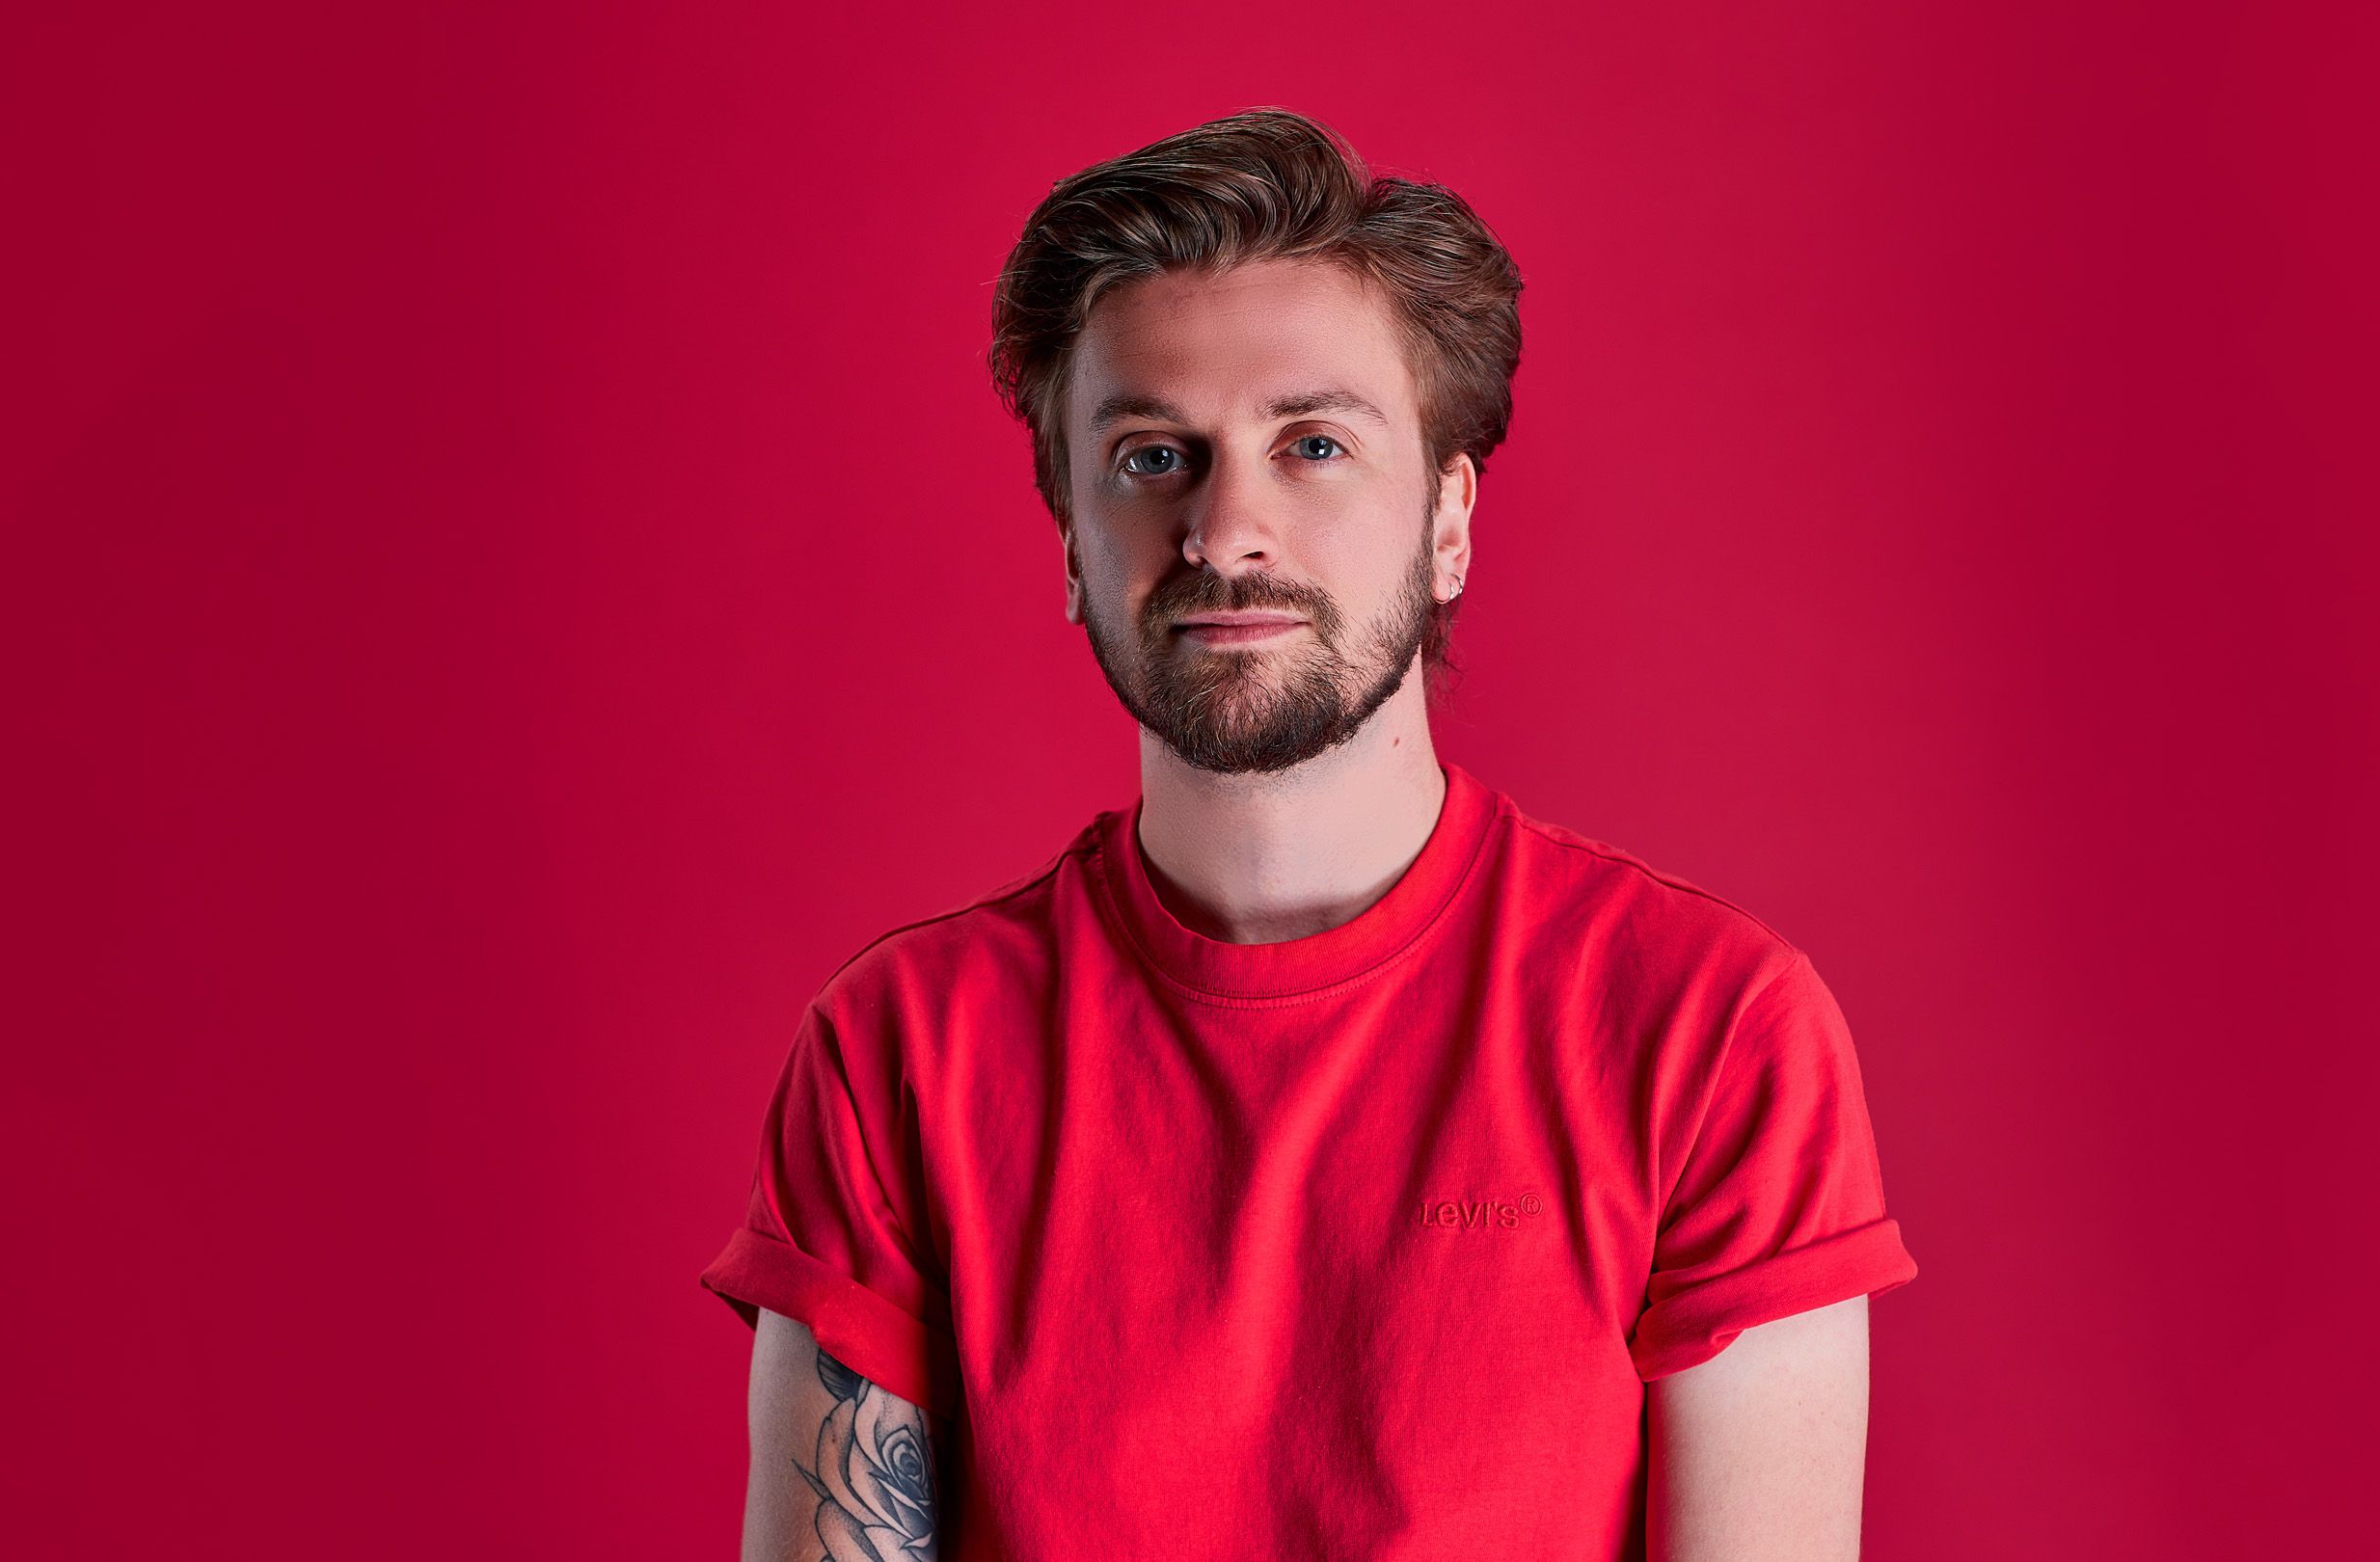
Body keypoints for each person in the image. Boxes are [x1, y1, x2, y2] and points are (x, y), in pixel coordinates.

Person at [699, 107, 1917, 1562]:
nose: (1227, 530)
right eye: (1153, 456)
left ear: (1449, 522)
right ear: (1071, 545)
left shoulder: (1709, 1032)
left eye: (1314, 445)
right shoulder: (900, 1052)